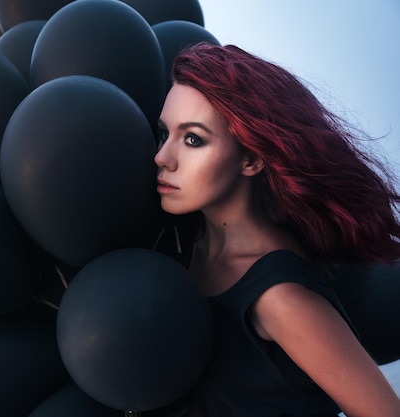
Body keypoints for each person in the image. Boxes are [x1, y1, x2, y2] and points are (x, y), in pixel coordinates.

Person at [153, 42, 400, 417]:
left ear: (250, 159)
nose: (162, 157)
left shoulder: (281, 296)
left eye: (192, 139)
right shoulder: (179, 237)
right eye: (164, 134)